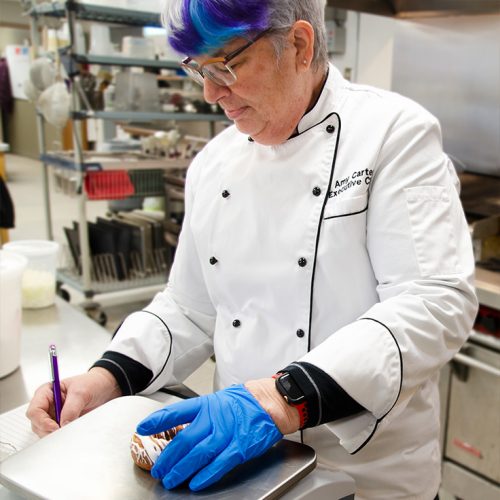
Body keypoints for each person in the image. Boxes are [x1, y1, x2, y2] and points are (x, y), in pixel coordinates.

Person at [27, 0, 478, 498]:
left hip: (372, 476)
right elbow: (187, 308)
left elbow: (436, 301)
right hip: (248, 466)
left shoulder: (393, 134)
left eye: (226, 64)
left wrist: (279, 398)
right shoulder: (213, 164)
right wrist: (106, 376)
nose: (210, 92)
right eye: (199, 69)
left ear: (300, 46)